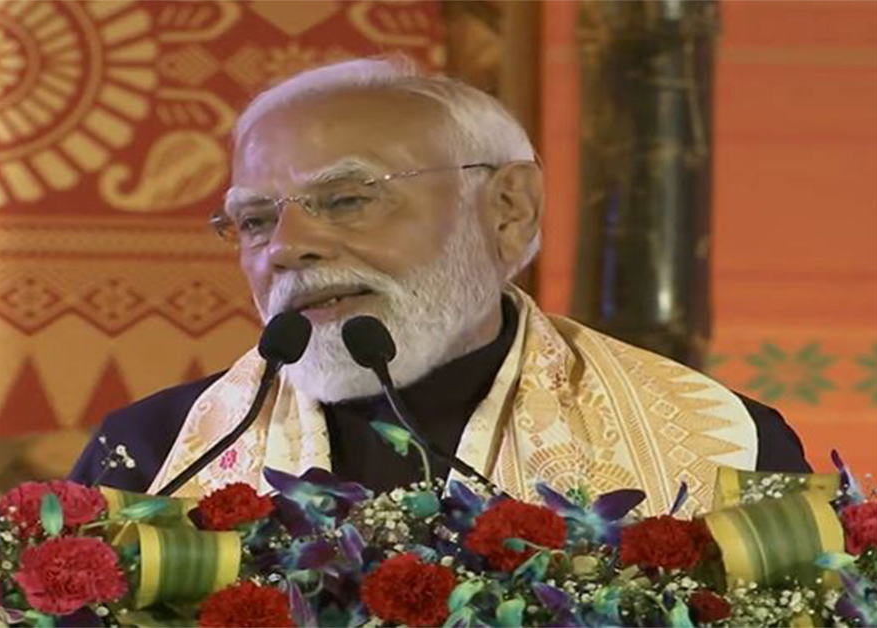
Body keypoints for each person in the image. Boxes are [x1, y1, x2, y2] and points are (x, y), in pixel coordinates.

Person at [69, 57, 809, 514]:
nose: (288, 249)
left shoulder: (722, 448)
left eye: (347, 199)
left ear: (509, 209)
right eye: (256, 221)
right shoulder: (154, 456)